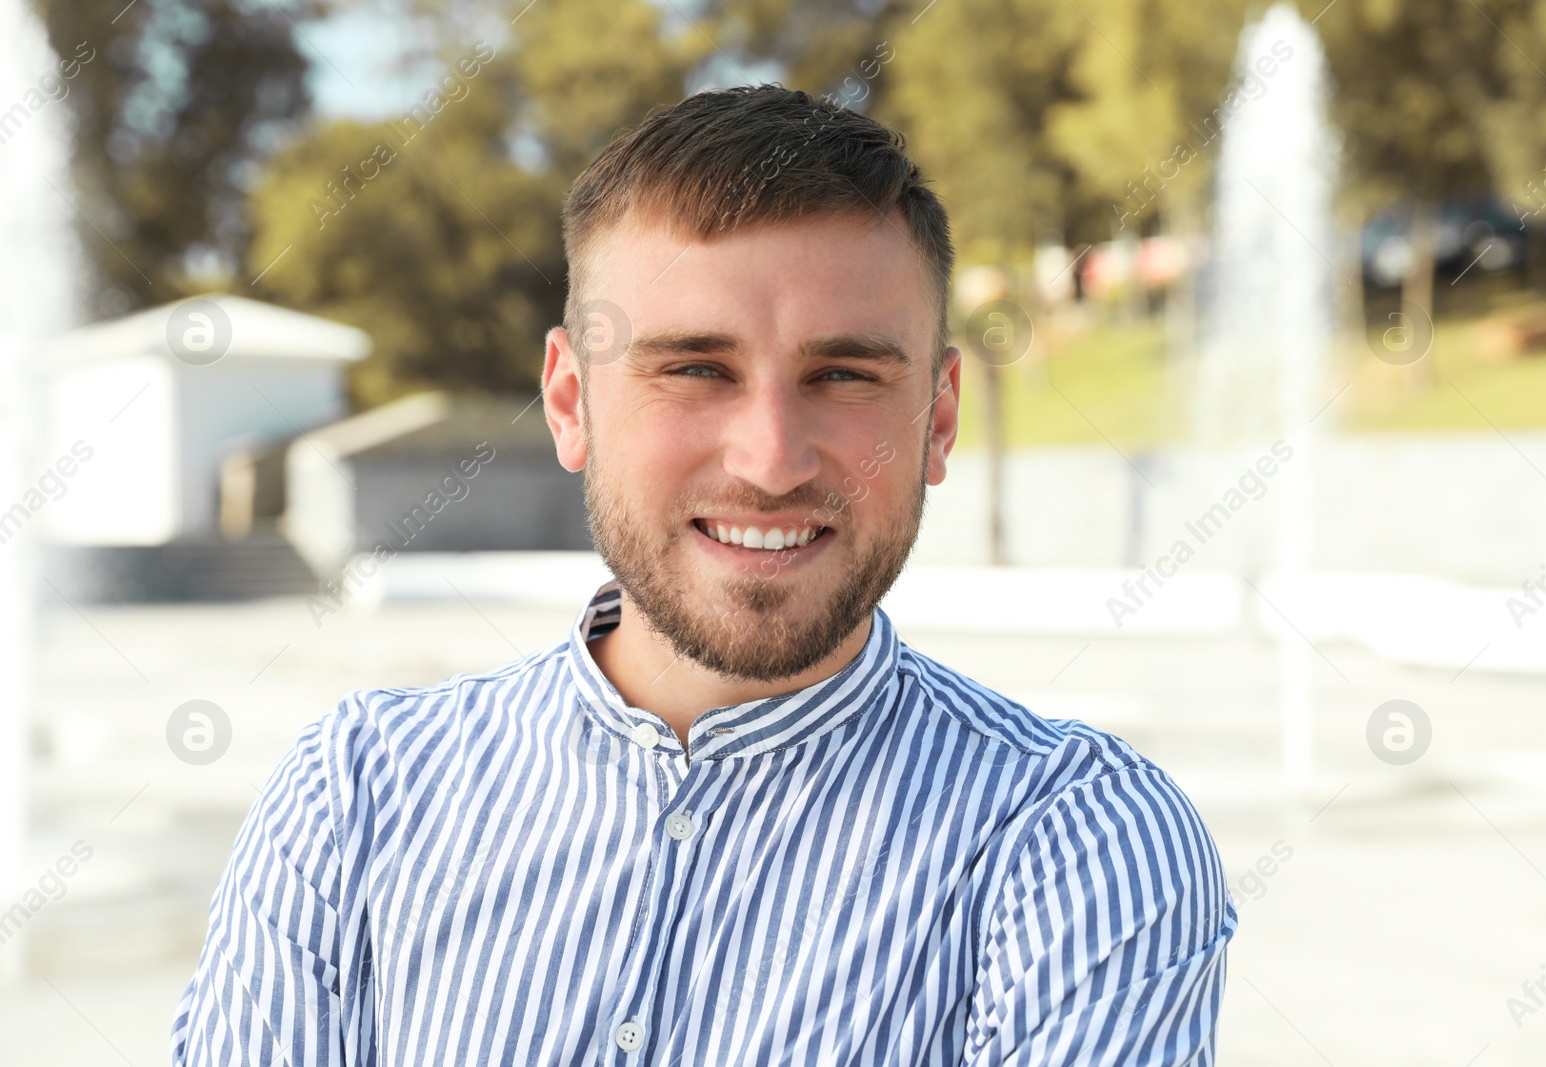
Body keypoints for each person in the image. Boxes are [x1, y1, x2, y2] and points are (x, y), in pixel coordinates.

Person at [171, 83, 1236, 1066]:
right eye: (692, 368)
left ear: (938, 417)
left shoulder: (1076, 842)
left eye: (845, 374)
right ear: (569, 401)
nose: (770, 459)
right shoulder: (356, 799)